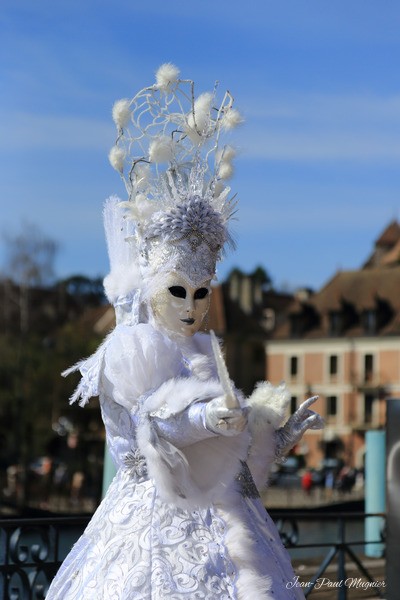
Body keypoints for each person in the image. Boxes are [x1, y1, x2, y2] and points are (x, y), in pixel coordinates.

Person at [46, 64, 323, 600]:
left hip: (225, 519)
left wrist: (274, 438)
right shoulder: (129, 349)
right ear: (152, 286)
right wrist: (207, 416)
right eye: (179, 292)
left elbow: (227, 454)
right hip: (150, 524)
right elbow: (156, 419)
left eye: (202, 293)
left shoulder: (202, 349)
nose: (193, 308)